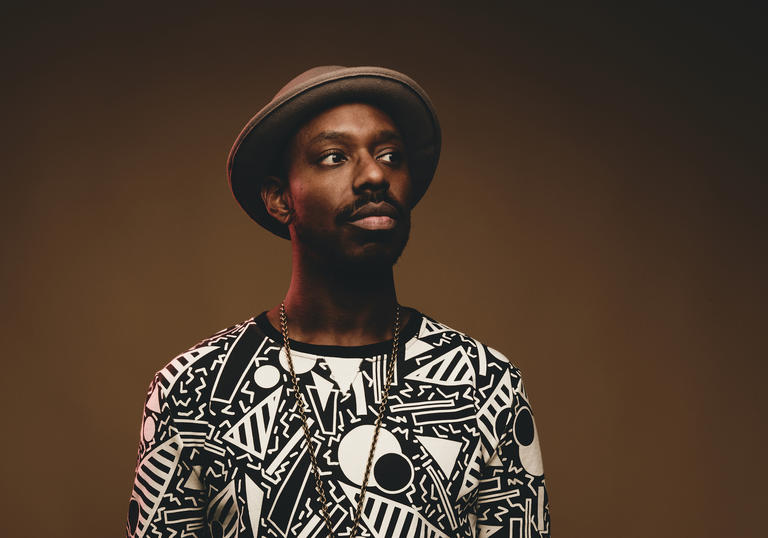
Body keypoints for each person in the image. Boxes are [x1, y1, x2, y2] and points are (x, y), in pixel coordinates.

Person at [126, 65, 550, 538]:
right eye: (333, 157)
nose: (374, 175)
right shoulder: (194, 389)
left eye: (391, 155)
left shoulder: (484, 383)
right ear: (279, 198)